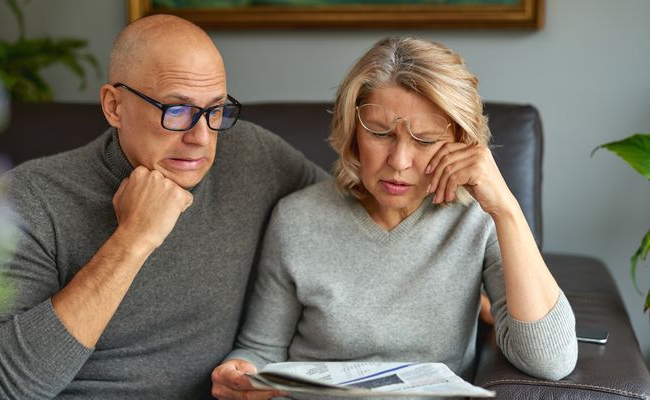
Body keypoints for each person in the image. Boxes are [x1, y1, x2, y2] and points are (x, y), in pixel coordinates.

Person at [0, 15, 325, 400]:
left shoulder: (252, 156)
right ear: (114, 106)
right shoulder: (32, 194)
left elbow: (354, 207)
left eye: (215, 109)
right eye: (176, 110)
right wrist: (132, 239)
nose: (201, 138)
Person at [211, 36, 578, 400]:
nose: (399, 161)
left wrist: (507, 210)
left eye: (425, 140)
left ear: (461, 142)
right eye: (381, 133)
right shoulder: (296, 218)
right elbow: (261, 350)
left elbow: (551, 362)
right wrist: (240, 372)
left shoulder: (477, 220)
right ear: (353, 133)